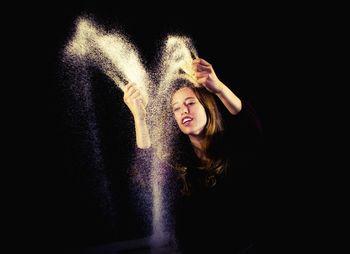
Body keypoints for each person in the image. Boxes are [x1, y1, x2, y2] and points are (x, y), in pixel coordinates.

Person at [123, 58, 262, 253]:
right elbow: (148, 173)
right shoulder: (178, 164)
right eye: (176, 108)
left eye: (190, 103)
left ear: (208, 107)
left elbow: (250, 127)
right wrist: (140, 117)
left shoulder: (232, 148)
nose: (183, 111)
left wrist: (219, 88)